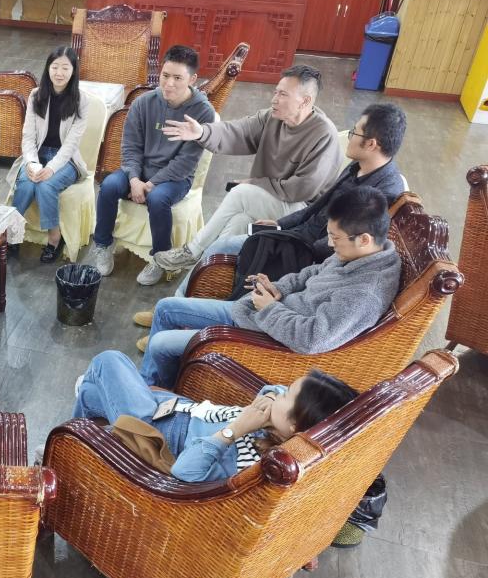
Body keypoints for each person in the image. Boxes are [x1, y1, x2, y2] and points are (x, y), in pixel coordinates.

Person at [131, 102, 408, 347]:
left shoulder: (385, 191)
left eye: (355, 132)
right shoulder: (356, 167)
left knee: (229, 238)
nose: (348, 137)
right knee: (236, 226)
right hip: (299, 236)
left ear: (372, 144)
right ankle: (182, 309)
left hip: (307, 249)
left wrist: (287, 237)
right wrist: (280, 225)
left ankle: (184, 310)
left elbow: (340, 248)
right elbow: (316, 208)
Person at [138, 186, 401, 390]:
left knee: (160, 344)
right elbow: (313, 272)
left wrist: (271, 308)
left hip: (264, 340)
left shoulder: (364, 294)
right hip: (258, 315)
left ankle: (154, 394)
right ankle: (155, 385)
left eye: (335, 238)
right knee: (165, 308)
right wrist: (278, 287)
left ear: (364, 239)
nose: (330, 245)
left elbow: (312, 339)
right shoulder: (359, 254)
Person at [154, 64, 341, 273]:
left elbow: (302, 189)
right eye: (276, 92)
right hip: (272, 199)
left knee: (241, 193)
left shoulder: (324, 134)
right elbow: (238, 131)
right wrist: (202, 132)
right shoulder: (272, 118)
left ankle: (192, 251)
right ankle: (210, 273)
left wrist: (255, 183)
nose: (274, 99)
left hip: (302, 213)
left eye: (282, 94)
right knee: (238, 221)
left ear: (305, 101)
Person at [72, 350, 356, 482]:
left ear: (294, 425)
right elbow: (273, 390)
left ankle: (77, 445)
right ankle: (75, 449)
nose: (279, 391)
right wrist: (272, 401)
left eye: (287, 395)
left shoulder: (248, 459)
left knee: (109, 360)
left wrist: (234, 430)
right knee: (89, 392)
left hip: (154, 431)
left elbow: (184, 472)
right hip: (177, 408)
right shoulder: (276, 424)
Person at [84, 45, 216, 283]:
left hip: (176, 178)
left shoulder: (203, 112)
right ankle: (102, 244)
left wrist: (150, 184)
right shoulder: (143, 103)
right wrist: (135, 179)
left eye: (178, 78)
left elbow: (185, 162)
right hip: (140, 170)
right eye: (165, 75)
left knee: (158, 199)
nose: (169, 84)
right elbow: (130, 147)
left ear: (192, 79)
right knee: (109, 186)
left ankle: (160, 258)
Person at [5, 46, 89, 263]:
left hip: (66, 160)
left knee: (46, 185)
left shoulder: (81, 100)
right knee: (26, 184)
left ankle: (54, 238)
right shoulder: (36, 95)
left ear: (73, 70)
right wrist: (32, 163)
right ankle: (12, 235)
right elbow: (28, 137)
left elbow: (71, 144)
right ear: (48, 68)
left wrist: (51, 168)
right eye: (55, 67)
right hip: (36, 154)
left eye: (65, 68)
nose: (59, 73)